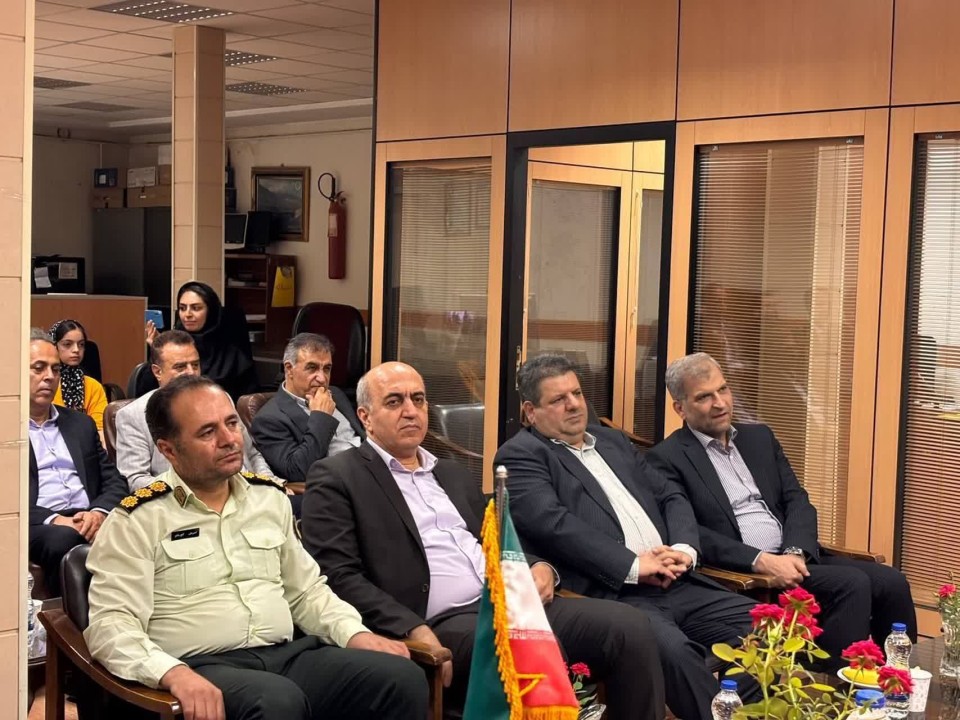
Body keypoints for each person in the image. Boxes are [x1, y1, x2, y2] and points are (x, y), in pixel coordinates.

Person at [301, 362, 666, 720]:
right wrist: (410, 627)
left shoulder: (451, 473)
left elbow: (496, 539)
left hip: (510, 602)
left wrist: (540, 566)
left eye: (418, 399)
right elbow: (339, 575)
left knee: (629, 626)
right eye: (394, 402)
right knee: (525, 646)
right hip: (441, 620)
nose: (411, 411)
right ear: (365, 417)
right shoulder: (338, 476)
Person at [84, 374, 428, 720]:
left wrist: (354, 633)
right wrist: (170, 673)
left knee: (401, 678)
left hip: (287, 655)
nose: (229, 440)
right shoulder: (137, 519)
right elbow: (111, 623)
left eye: (232, 423)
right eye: (207, 432)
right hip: (199, 665)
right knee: (276, 700)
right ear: (169, 450)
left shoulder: (269, 499)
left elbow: (305, 592)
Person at [494, 353, 761, 720]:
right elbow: (553, 524)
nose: (574, 405)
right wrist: (634, 565)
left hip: (677, 580)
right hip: (618, 594)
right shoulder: (522, 455)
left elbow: (670, 494)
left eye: (576, 393)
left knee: (767, 627)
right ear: (530, 412)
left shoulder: (612, 441)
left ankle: (737, 713)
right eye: (558, 399)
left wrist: (684, 549)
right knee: (675, 653)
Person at [647, 352, 918, 659]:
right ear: (680, 408)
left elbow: (796, 500)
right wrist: (761, 561)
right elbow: (691, 533)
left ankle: (899, 675)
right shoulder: (666, 458)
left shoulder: (759, 438)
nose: (720, 403)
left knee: (892, 581)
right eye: (704, 397)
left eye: (723, 389)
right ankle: (834, 684)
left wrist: (795, 552)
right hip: (746, 571)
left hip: (795, 556)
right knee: (851, 583)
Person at [28, 328, 127, 596]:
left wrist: (98, 513)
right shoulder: (7, 431)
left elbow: (114, 481)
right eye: (38, 368)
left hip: (88, 514)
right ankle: (73, 615)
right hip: (40, 522)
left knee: (143, 524)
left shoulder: (80, 424)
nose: (49, 377)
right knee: (66, 538)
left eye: (55, 369)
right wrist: (55, 519)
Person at [115, 330, 280, 491]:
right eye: (180, 367)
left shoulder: (222, 398)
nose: (191, 373)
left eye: (195, 365)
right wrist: (195, 493)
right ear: (158, 372)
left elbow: (252, 455)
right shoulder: (132, 415)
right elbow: (135, 479)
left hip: (249, 492)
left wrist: (272, 486)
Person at [251, 333, 364, 484]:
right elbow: (297, 471)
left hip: (373, 469)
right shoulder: (268, 420)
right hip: (341, 484)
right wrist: (321, 418)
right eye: (312, 368)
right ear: (289, 369)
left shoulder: (336, 394)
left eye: (327, 369)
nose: (322, 378)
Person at [163, 281, 259, 401]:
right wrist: (159, 353)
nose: (187, 314)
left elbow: (247, 400)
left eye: (196, 308)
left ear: (211, 311)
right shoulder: (174, 347)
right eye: (182, 308)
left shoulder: (232, 354)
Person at [50, 319, 108, 438]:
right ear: (53, 346)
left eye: (81, 344)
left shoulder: (93, 386)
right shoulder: (46, 382)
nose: (76, 350)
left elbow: (100, 430)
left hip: (86, 444)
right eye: (67, 344)